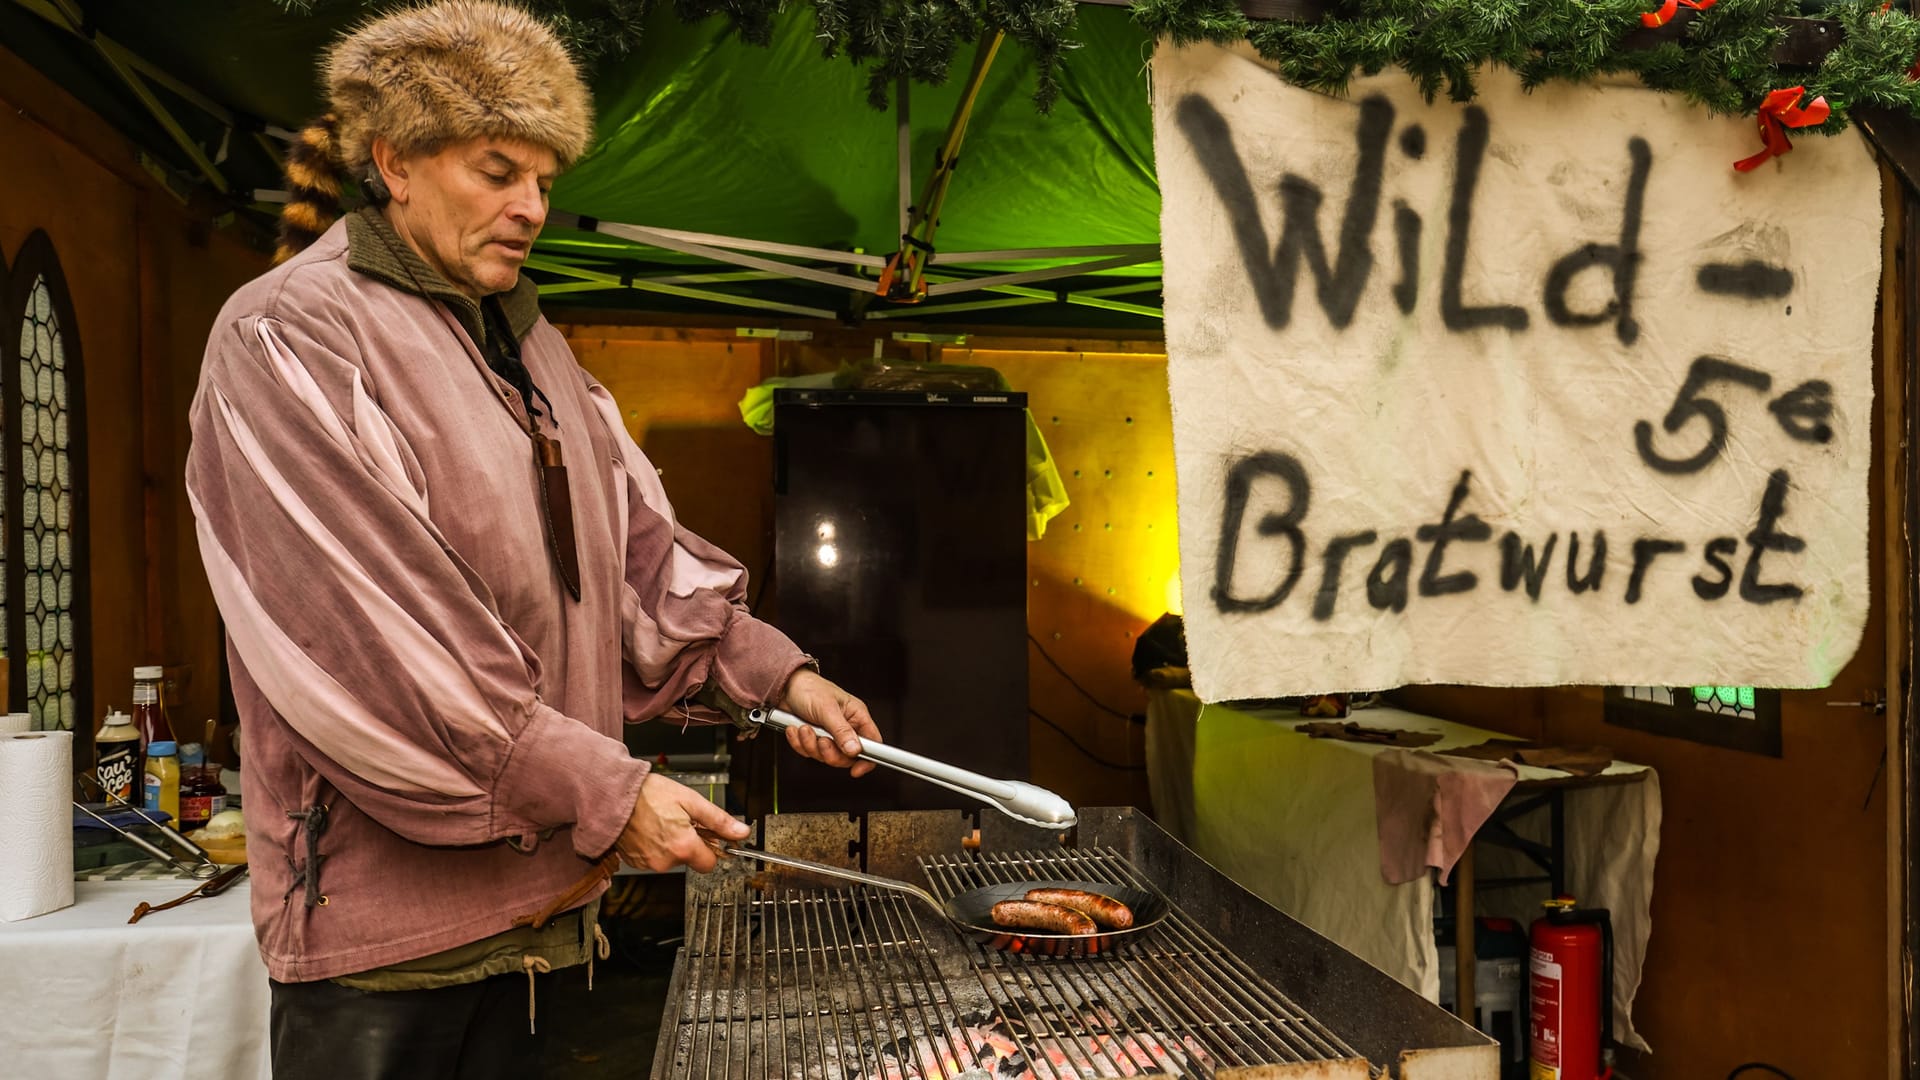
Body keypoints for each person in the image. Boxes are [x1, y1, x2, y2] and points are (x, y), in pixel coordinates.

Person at [184, 3, 881, 1075]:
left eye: (546, 181)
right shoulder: (291, 332)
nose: (531, 208)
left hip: (548, 913)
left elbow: (633, 556)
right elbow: (378, 644)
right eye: (498, 170)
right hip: (389, 952)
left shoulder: (529, 344)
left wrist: (776, 677)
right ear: (394, 162)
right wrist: (611, 792)